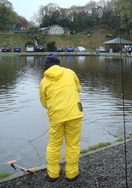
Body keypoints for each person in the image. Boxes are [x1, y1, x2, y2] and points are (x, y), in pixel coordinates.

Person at [39, 54, 84, 182]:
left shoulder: (43, 82)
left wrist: (55, 107)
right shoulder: (70, 72)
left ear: (46, 67)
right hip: (74, 113)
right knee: (73, 144)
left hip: (56, 117)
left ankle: (53, 175)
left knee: (54, 145)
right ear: (59, 64)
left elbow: (44, 102)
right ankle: (71, 174)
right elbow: (78, 89)